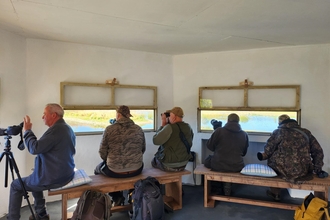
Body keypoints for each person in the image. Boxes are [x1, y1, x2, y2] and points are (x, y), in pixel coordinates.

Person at [7, 103, 76, 220]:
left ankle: (12, 218)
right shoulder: (66, 128)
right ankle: (41, 214)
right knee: (34, 176)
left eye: (44, 114)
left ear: (53, 115)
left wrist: (27, 131)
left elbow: (35, 148)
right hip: (66, 173)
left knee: (16, 185)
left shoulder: (55, 130)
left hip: (55, 178)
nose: (42, 117)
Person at [257, 114, 326, 201]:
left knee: (271, 163)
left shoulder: (278, 132)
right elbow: (318, 151)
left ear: (279, 122)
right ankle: (318, 202)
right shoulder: (306, 132)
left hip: (282, 170)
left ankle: (275, 192)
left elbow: (268, 150)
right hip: (303, 171)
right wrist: (317, 168)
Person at [94, 105, 146, 206]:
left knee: (97, 169)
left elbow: (102, 152)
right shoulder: (139, 129)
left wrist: (109, 160)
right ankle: (132, 194)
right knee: (134, 169)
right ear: (128, 116)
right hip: (136, 169)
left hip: (114, 171)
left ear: (118, 115)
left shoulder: (109, 129)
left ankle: (116, 196)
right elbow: (142, 149)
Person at [204, 113, 249, 196]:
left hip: (219, 165)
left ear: (227, 120)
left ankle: (217, 188)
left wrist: (215, 131)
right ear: (239, 122)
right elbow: (243, 153)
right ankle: (227, 186)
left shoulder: (219, 131)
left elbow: (210, 147)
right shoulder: (244, 134)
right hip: (237, 166)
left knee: (207, 161)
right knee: (228, 163)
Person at [152, 107, 194, 172]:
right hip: (184, 163)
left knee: (154, 161)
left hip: (169, 165)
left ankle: (160, 181)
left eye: (170, 115)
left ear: (174, 116)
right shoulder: (188, 127)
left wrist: (163, 124)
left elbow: (155, 140)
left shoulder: (169, 127)